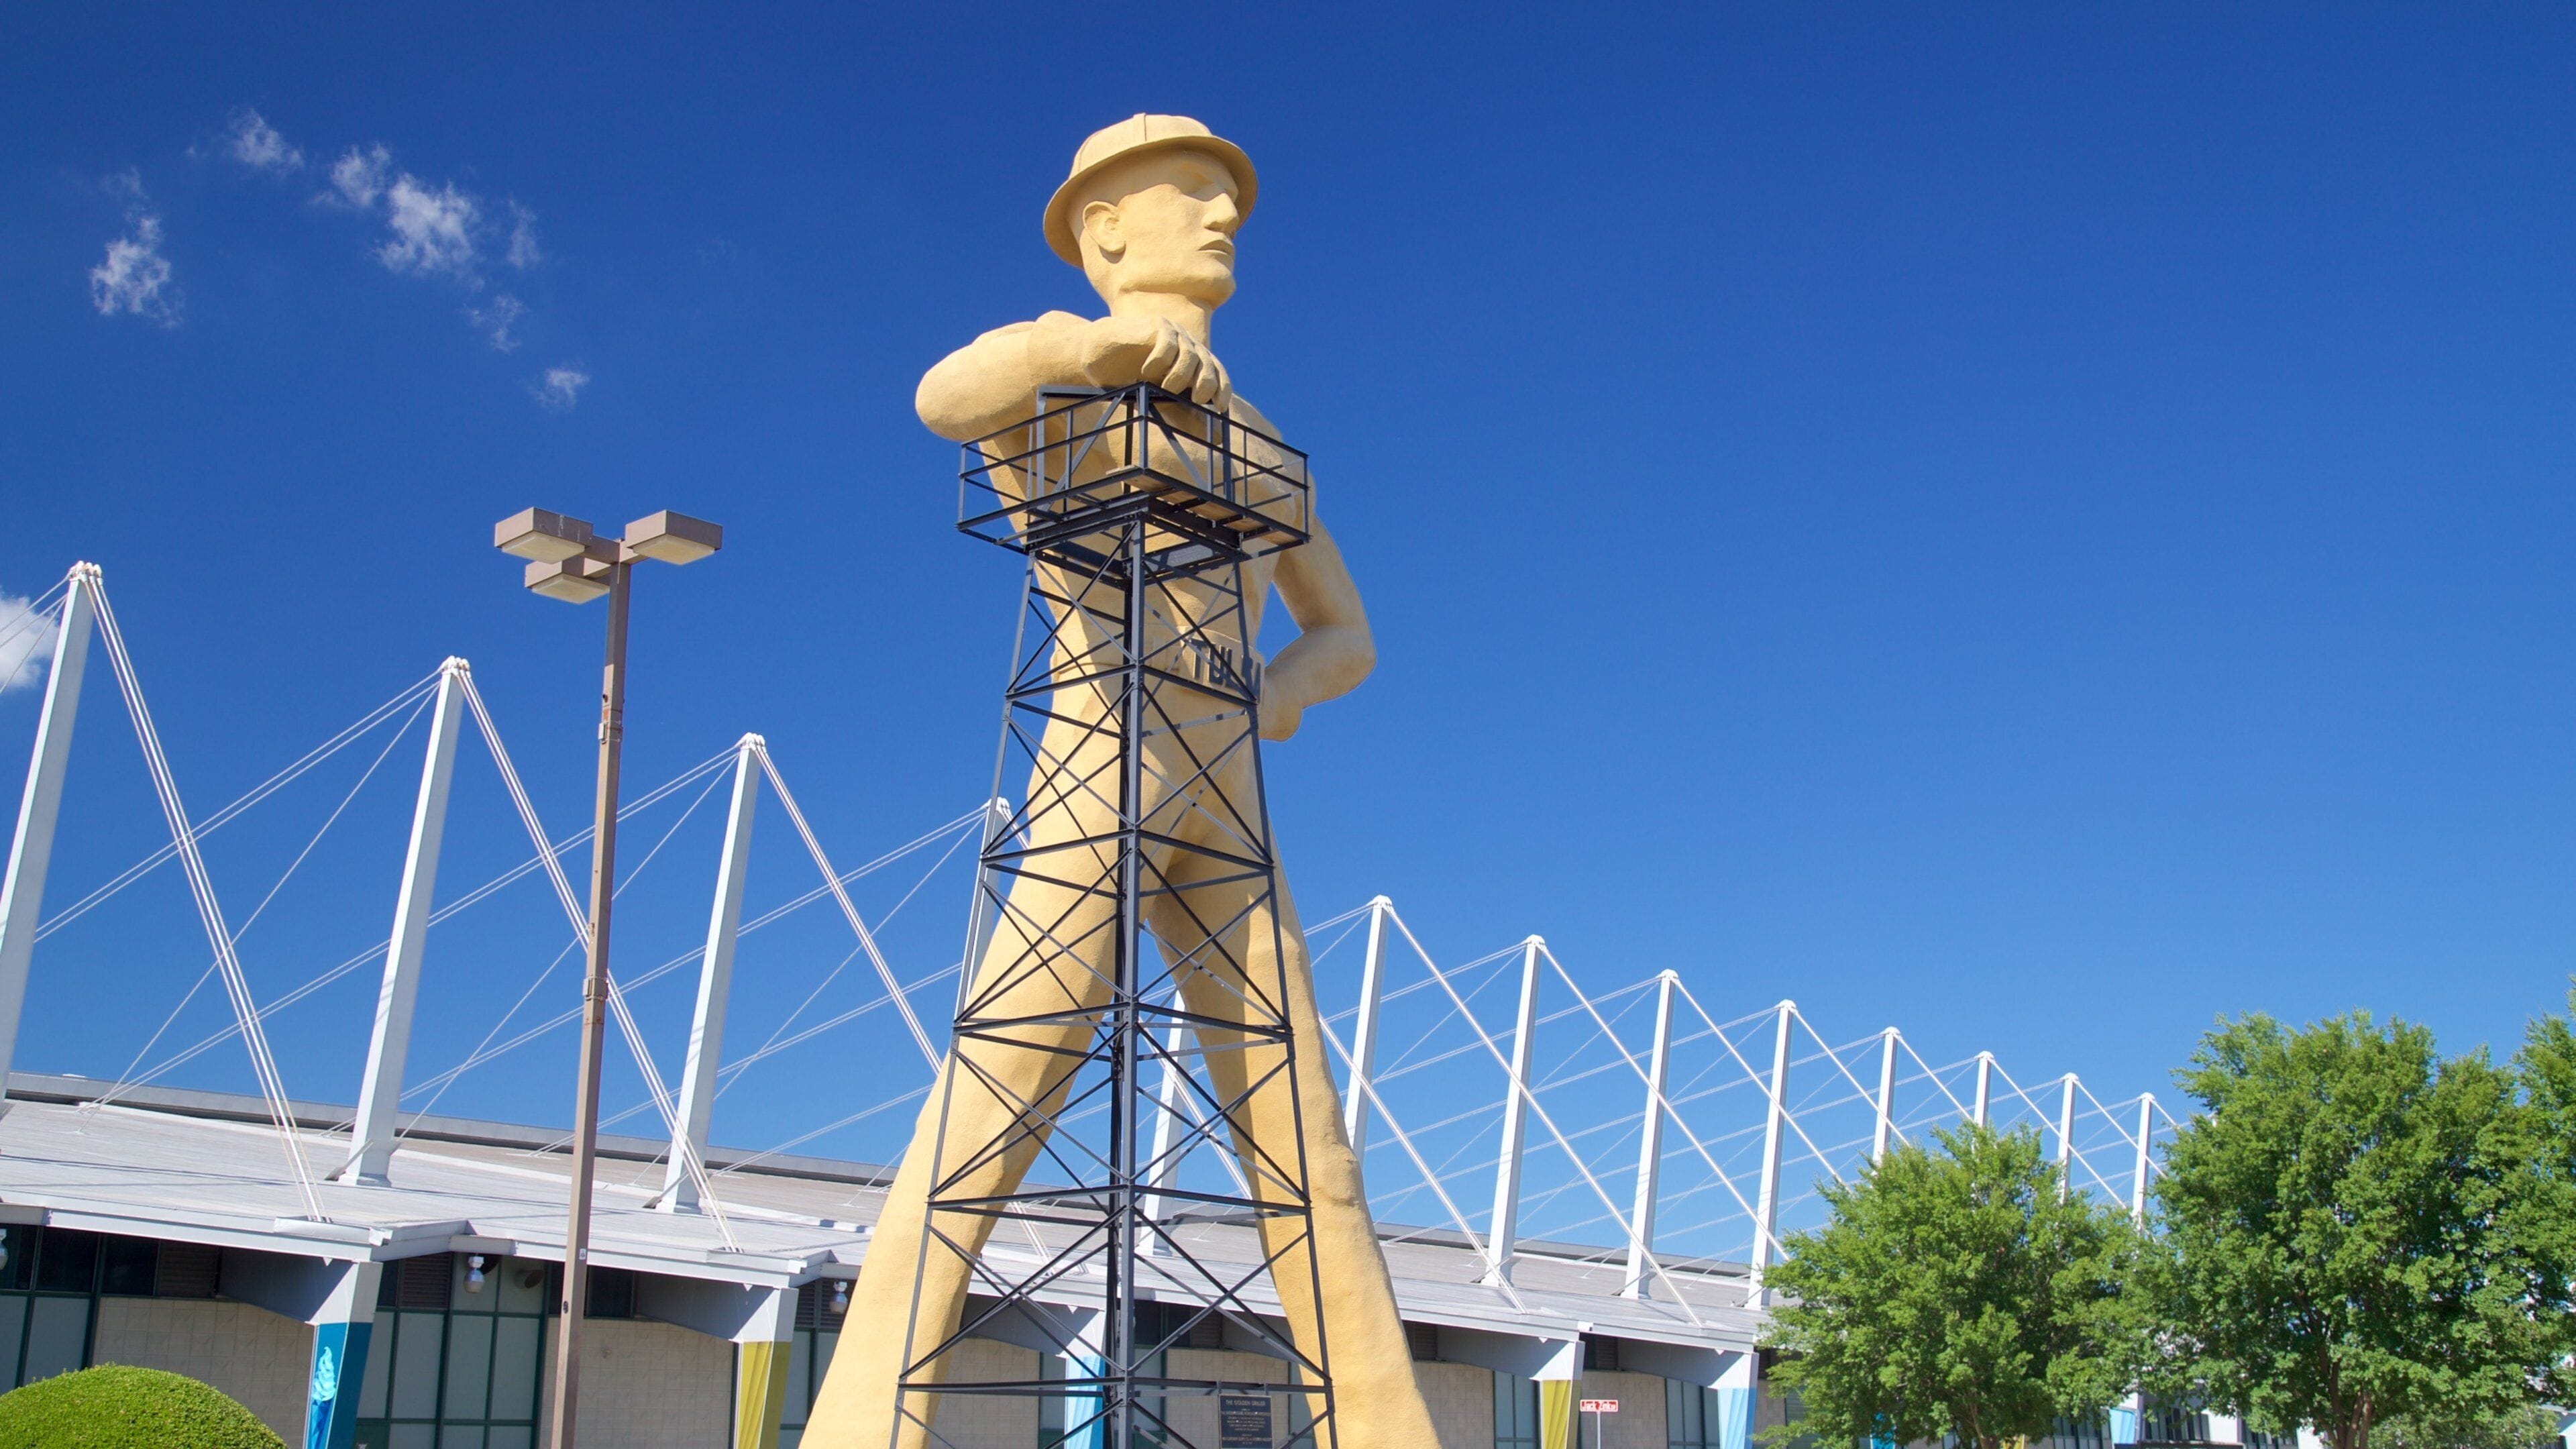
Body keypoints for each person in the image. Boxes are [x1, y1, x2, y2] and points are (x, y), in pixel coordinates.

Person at [802, 115, 1438, 1449]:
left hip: (1226, 796)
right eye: (1192, 194)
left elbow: (1349, 634)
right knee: (1000, 1097)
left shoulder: (1263, 442)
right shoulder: (1063, 379)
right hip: (1103, 771)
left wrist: (1273, 694)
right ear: (1104, 230)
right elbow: (942, 397)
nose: (1222, 218)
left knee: (1305, 1142)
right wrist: (1079, 352)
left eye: (1231, 200)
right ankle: (863, 1423)